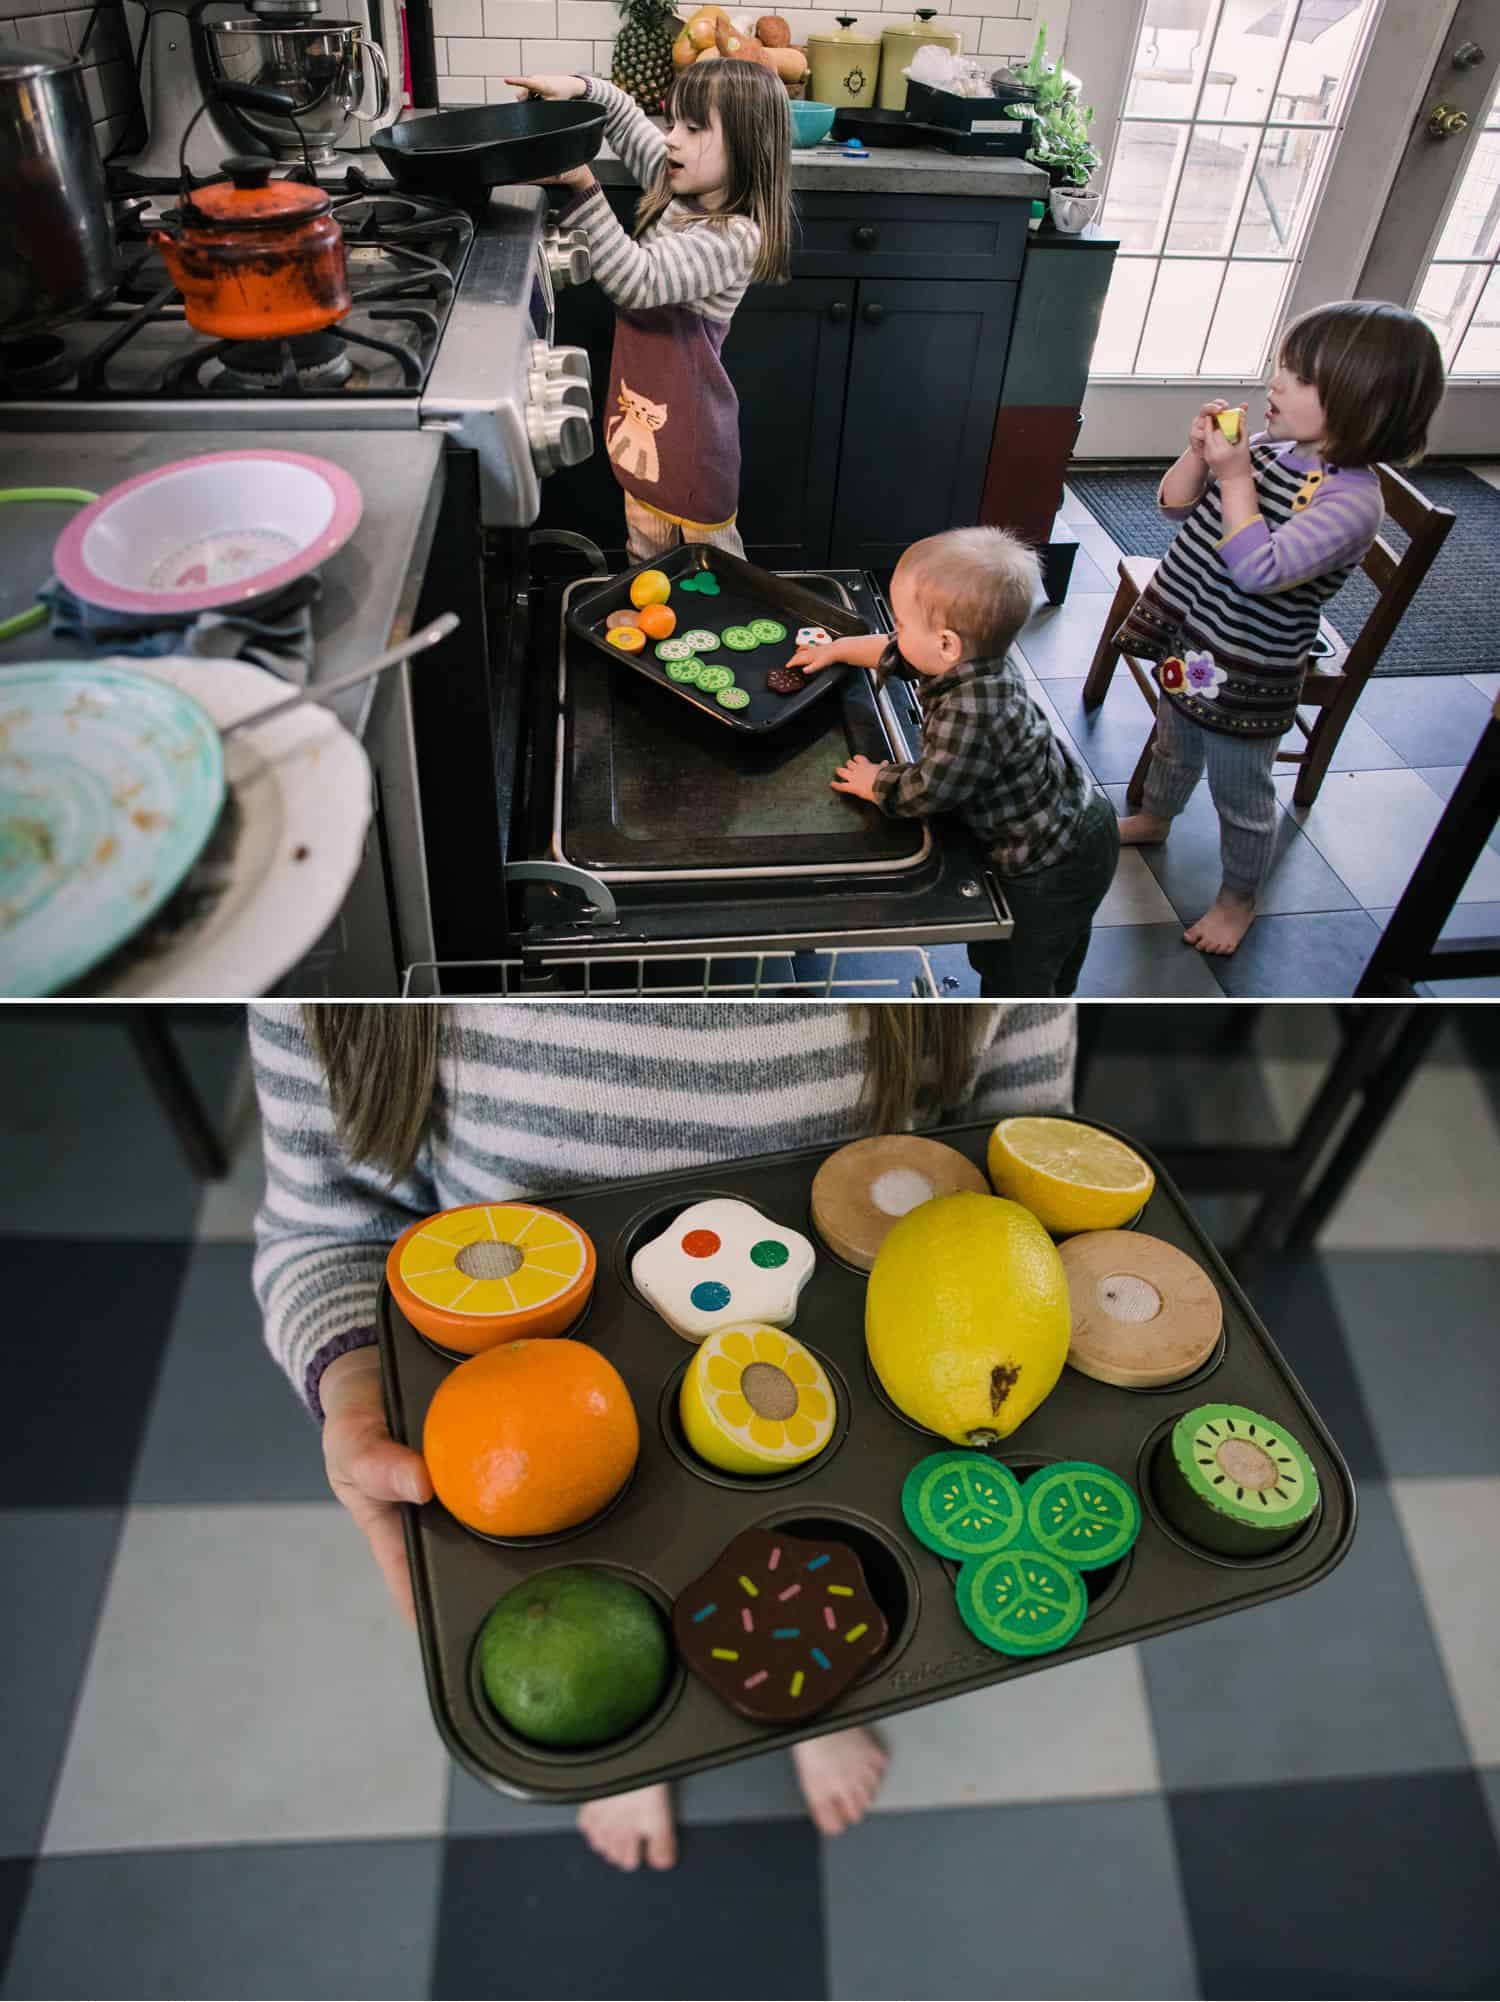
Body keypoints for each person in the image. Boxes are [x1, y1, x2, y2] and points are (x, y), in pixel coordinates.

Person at [249, 1001, 1076, 1871]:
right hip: (530, 1416)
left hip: (851, 1376)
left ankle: (819, 1706)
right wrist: (352, 1377)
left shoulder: (978, 931)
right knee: (601, 1620)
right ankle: (640, 1735)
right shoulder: (341, 956)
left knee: (821, 1576)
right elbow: (325, 1232)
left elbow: (1028, 1157)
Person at [1115, 298, 1446, 956]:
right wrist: (1199, 456)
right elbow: (1174, 505)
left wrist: (1234, 474)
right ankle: (1155, 816)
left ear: (1363, 404)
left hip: (1250, 676)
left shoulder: (1350, 504)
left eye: (1298, 376)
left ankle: (1239, 896)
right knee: (1174, 738)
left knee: (1242, 793)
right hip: (1196, 643)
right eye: (1282, 367)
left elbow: (1258, 572)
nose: (1275, 382)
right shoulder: (1268, 449)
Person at [790, 526, 1119, 998]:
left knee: (1019, 965)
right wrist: (835, 650)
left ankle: (1020, 1034)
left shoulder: (971, 710)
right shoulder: (971, 655)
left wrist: (875, 780)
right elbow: (893, 650)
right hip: (1079, 820)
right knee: (1060, 943)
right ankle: (1055, 991)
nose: (895, 632)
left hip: (1049, 860)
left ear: (946, 644)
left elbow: (929, 791)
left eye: (901, 624)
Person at [505, 61, 792, 565]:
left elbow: (636, 282)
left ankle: (712, 632)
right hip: (646, 419)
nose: (670, 140)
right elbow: (622, 114)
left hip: (692, 441)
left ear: (749, 145)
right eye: (672, 122)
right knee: (646, 545)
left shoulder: (733, 237)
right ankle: (655, 624)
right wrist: (574, 88)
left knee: (709, 563)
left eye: (694, 128)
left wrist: (582, 185)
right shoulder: (680, 183)